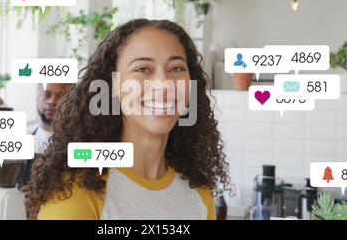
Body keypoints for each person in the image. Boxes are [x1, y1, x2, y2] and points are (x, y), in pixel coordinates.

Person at [24, 19, 229, 220]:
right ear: (113, 85)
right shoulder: (76, 192)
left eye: (176, 68)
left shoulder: (199, 192)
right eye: (142, 69)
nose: (164, 84)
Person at [18, 83, 70, 189]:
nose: (52, 101)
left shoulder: (78, 141)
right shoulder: (21, 136)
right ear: (37, 100)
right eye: (46, 95)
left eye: (60, 96)